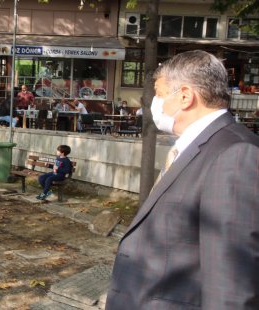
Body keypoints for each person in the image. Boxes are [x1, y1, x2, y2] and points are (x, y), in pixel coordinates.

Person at [106, 50, 259, 309]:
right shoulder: (195, 146)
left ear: (186, 96)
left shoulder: (235, 153)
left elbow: (231, 282)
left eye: (159, 94)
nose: (154, 102)